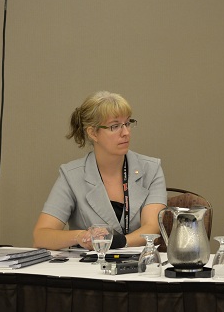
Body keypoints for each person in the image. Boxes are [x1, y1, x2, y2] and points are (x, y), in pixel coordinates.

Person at [33, 91, 167, 250]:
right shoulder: (71, 175)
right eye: (115, 126)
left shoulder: (151, 169)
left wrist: (118, 242)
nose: (125, 132)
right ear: (93, 133)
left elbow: (152, 227)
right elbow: (41, 236)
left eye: (127, 123)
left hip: (138, 267)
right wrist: (82, 236)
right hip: (89, 270)